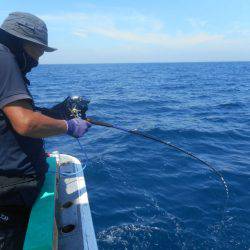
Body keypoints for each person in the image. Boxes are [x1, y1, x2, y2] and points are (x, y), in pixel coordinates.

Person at [0, 12, 91, 250]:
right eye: (38, 50)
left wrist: (58, 111)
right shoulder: (4, 59)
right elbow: (25, 123)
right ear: (21, 41)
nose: (39, 58)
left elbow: (9, 115)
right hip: (11, 191)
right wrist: (69, 126)